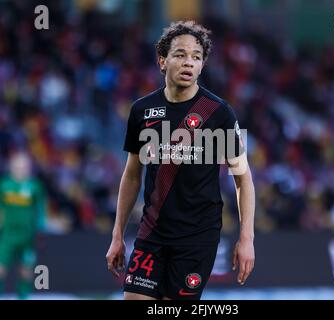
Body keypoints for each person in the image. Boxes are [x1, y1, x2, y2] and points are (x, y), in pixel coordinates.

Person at [106, 21, 255, 300]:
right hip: (152, 233)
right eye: (180, 55)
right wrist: (117, 235)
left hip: (197, 238)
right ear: (162, 61)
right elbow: (132, 175)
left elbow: (242, 179)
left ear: (202, 66)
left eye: (196, 57)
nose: (189, 63)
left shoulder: (218, 112)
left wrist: (247, 238)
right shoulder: (142, 110)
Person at [0, 151, 46, 299]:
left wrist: (40, 228)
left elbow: (39, 209)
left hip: (27, 236)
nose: (21, 169)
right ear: (12, 167)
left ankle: (23, 297)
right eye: (18, 165)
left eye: (24, 166)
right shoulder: (4, 184)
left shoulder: (35, 186)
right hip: (7, 235)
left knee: (25, 271)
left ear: (29, 167)